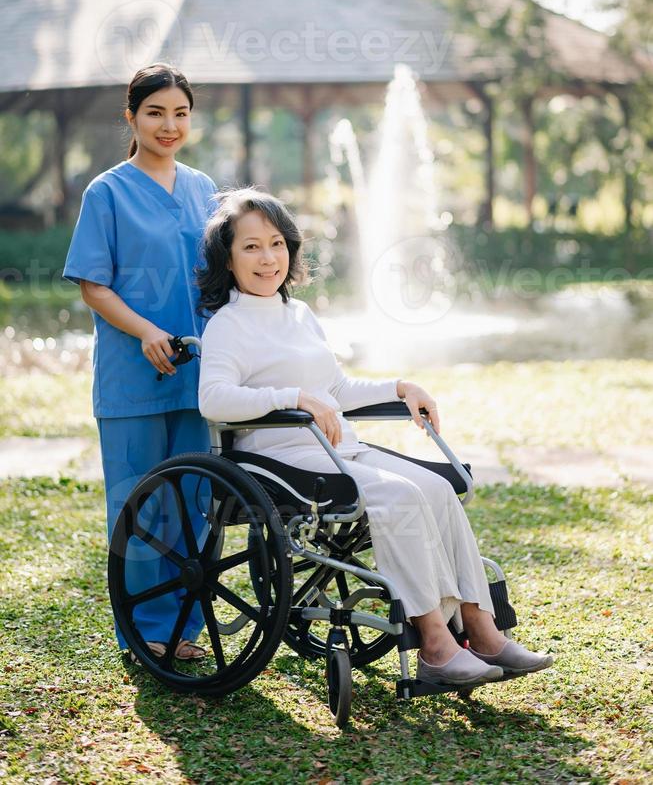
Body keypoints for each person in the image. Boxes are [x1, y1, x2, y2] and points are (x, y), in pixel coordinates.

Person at [197, 187, 553, 688]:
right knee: (400, 496)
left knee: (437, 488)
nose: (267, 258)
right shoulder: (227, 326)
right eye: (251, 246)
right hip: (278, 460)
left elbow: (337, 389)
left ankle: (482, 630)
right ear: (227, 258)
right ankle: (434, 644)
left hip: (337, 449)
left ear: (291, 250)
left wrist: (400, 388)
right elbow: (213, 400)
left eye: (276, 243)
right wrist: (295, 396)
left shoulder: (298, 315)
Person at [64, 62, 217, 660]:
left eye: (181, 113)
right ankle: (145, 632)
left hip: (200, 374)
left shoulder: (205, 190)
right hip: (133, 378)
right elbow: (93, 286)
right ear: (131, 117)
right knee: (140, 506)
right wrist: (149, 331)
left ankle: (184, 628)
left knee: (195, 502)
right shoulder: (107, 192)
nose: (169, 124)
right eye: (156, 112)